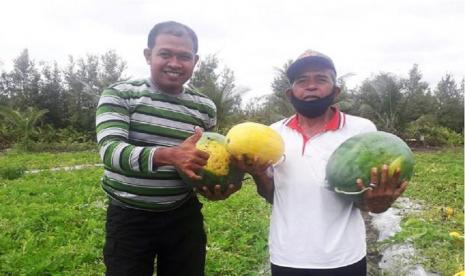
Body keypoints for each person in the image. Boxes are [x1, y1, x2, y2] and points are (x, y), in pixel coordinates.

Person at [234, 50, 408, 275]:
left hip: (344, 257)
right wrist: (257, 174)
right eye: (302, 80)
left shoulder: (362, 131)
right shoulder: (272, 135)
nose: (311, 86)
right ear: (290, 93)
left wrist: (378, 204)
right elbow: (273, 196)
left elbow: (361, 198)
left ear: (336, 91)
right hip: (287, 256)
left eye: (321, 79)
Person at [95, 21, 240, 276]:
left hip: (183, 216)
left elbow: (204, 161)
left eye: (184, 56)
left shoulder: (204, 107)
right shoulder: (120, 95)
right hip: (129, 216)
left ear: (195, 61)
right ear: (148, 55)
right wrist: (170, 156)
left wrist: (212, 188)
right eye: (165, 54)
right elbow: (110, 151)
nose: (175, 63)